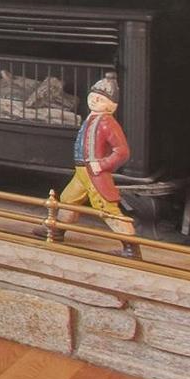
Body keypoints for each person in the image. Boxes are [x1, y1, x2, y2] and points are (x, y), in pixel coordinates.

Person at [56, 75, 138, 257]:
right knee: (68, 199)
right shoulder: (92, 118)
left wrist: (102, 165)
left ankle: (131, 247)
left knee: (107, 208)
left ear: (111, 105)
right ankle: (57, 231)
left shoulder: (107, 123)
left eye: (100, 98)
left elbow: (122, 151)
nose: (94, 99)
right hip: (81, 171)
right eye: (93, 95)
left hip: (94, 172)